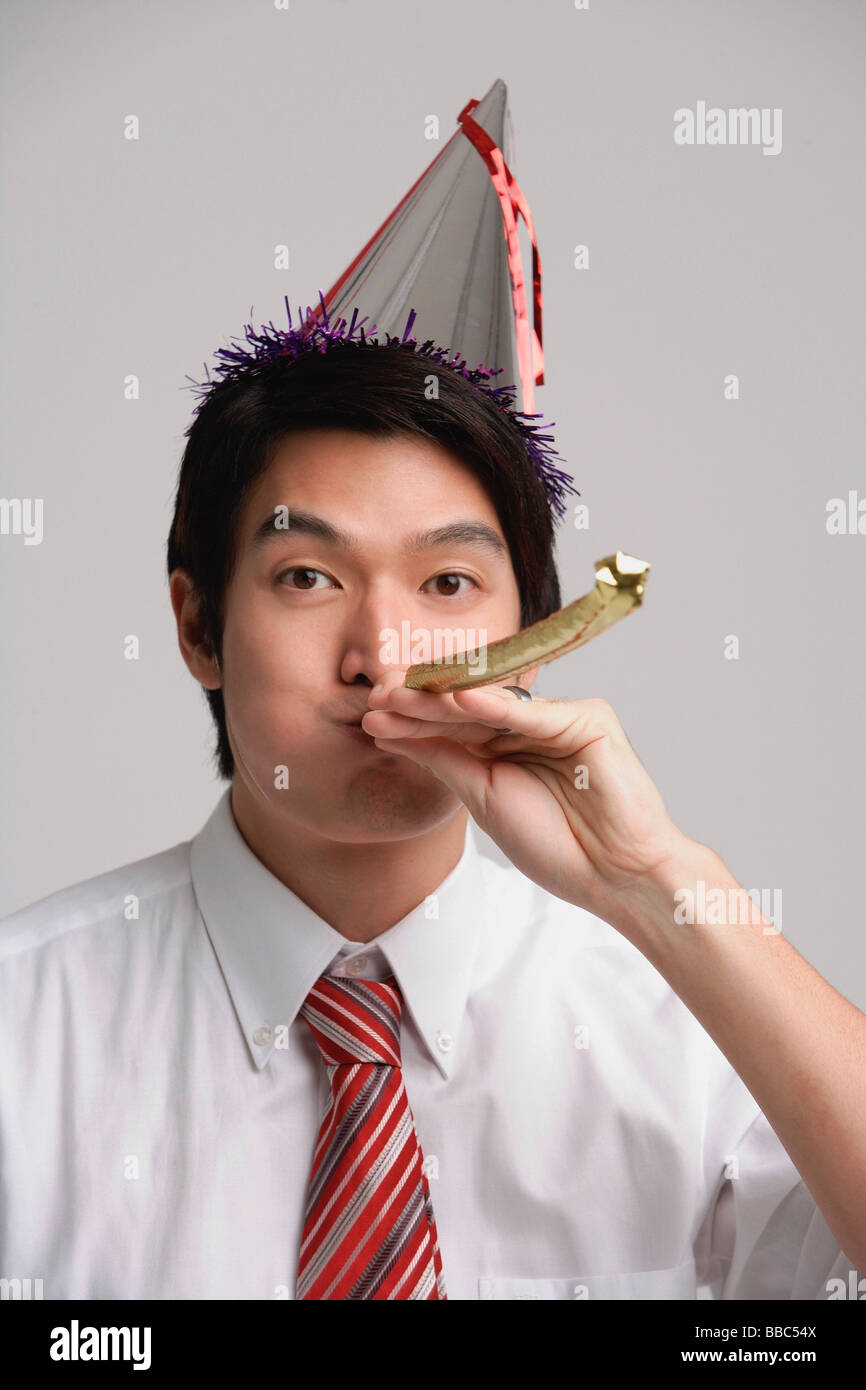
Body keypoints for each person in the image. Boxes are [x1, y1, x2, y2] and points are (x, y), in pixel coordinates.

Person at [1, 335, 864, 1301]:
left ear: (533, 642)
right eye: (308, 578)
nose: (382, 657)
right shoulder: (22, 1034)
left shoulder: (690, 1026)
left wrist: (662, 884)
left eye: (447, 584)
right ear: (198, 626)